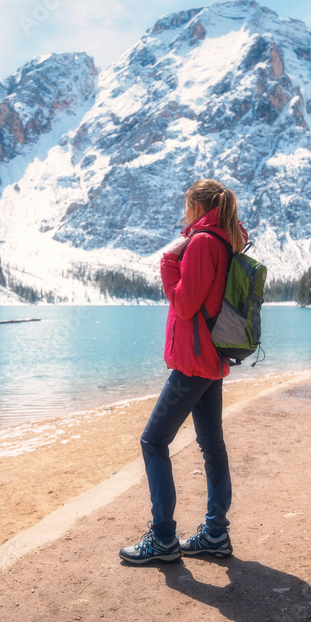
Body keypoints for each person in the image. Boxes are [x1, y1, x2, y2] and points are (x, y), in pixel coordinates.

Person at [120, 179, 247, 565]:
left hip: (193, 361)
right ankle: (215, 534)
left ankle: (162, 539)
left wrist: (167, 265)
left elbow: (186, 303)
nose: (183, 214)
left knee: (153, 442)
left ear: (197, 207)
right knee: (212, 446)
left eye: (186, 207)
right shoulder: (224, 239)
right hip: (210, 360)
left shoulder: (204, 243)